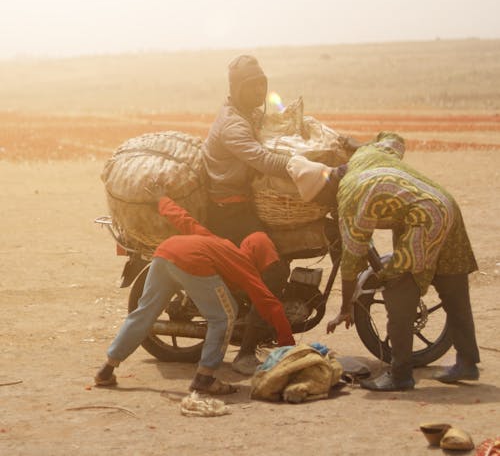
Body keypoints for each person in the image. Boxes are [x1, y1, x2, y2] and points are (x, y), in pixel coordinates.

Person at [287, 132, 480, 392]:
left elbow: (351, 261)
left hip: (425, 221)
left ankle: (400, 375)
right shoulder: (363, 157)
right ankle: (467, 361)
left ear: (324, 195)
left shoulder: (348, 197)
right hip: (445, 204)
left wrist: (345, 307)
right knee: (453, 291)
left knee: (397, 290)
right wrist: (355, 145)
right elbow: (394, 139)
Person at [94, 196, 295, 394]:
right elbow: (271, 305)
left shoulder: (221, 243)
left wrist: (162, 201)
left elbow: (186, 222)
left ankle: (107, 369)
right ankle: (205, 378)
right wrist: (289, 348)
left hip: (166, 252)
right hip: (191, 262)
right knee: (225, 316)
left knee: (144, 313)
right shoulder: (244, 265)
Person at [202, 54, 291, 374]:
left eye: (262, 85)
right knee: (275, 272)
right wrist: (301, 167)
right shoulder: (233, 124)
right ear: (236, 88)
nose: (258, 92)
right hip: (230, 211)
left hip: (243, 204)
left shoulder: (246, 114)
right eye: (251, 86)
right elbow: (262, 159)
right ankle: (246, 353)